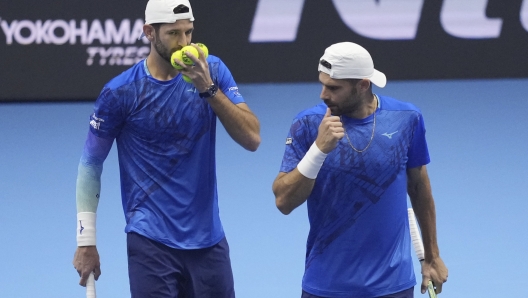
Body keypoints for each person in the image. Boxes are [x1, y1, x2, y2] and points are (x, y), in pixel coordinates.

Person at [72, 0, 261, 296]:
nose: (184, 44)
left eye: (188, 33)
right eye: (173, 33)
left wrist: (208, 89)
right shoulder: (121, 92)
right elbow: (91, 164)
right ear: (149, 32)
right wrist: (86, 240)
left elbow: (252, 138)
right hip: (150, 241)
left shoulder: (212, 71)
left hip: (208, 241)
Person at [272, 42, 448, 298]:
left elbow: (419, 188)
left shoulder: (407, 119)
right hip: (326, 286)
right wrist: (318, 150)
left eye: (333, 88)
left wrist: (432, 257)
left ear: (363, 85)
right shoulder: (308, 124)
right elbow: (283, 201)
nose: (323, 95)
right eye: (322, 84)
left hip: (392, 286)